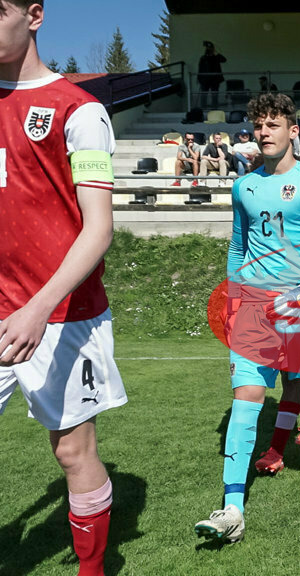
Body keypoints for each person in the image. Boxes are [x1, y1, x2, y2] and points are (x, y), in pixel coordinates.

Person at [0, 4, 127, 572]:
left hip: (61, 316)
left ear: (34, 15)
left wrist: (37, 307)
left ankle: (92, 569)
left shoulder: (80, 111)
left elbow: (98, 229)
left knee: (73, 450)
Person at [194, 92, 300, 543]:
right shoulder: (243, 186)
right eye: (258, 125)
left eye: (273, 124)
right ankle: (232, 509)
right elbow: (237, 247)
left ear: (292, 131)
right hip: (254, 312)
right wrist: (232, 303)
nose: (263, 132)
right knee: (246, 400)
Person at [197, 40, 226, 108]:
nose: (209, 50)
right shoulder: (203, 58)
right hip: (205, 80)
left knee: (214, 96)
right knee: (204, 96)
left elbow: (224, 60)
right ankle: (203, 108)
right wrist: (199, 79)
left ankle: (214, 108)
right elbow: (200, 69)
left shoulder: (216, 57)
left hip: (215, 80)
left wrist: (215, 52)